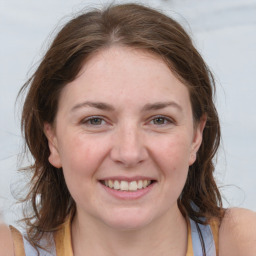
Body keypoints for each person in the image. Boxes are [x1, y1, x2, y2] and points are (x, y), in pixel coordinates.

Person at [1, 3, 256, 256]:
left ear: (195, 136)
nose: (129, 153)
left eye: (159, 120)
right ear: (53, 140)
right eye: (95, 121)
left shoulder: (242, 241)